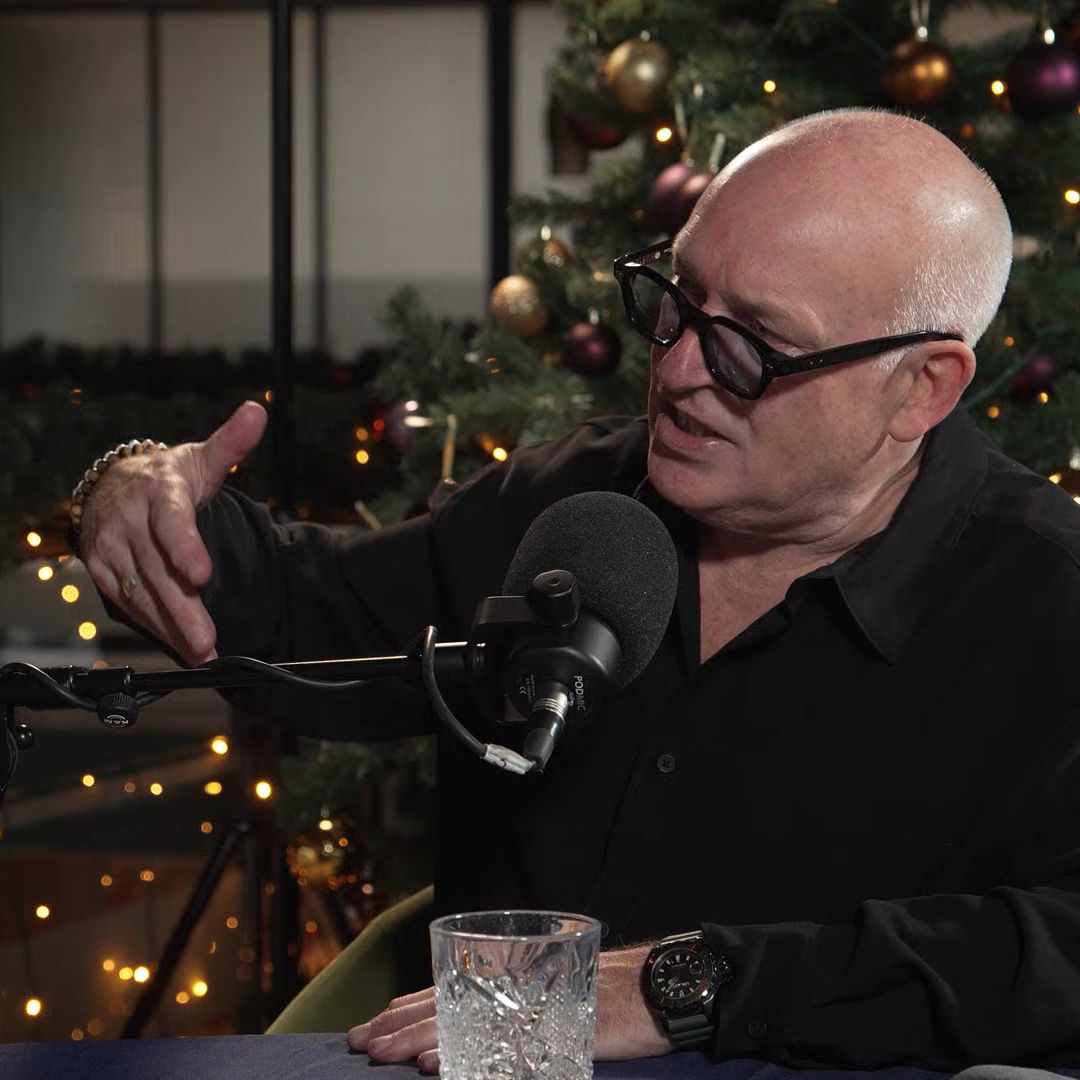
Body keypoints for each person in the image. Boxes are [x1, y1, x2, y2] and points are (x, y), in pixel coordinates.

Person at [74, 108, 1080, 1071]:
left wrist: (694, 988)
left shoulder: (1049, 604)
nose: (677, 371)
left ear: (922, 387)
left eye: (754, 346)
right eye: (679, 300)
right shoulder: (574, 502)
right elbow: (300, 614)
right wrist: (135, 497)